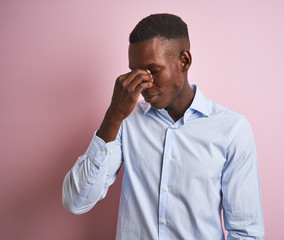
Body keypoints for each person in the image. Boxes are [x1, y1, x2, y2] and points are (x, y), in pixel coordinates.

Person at [62, 13, 264, 240]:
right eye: (135, 72)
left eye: (153, 71)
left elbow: (246, 232)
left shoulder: (232, 130)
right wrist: (113, 116)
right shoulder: (125, 121)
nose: (144, 84)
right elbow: (76, 202)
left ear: (184, 61)